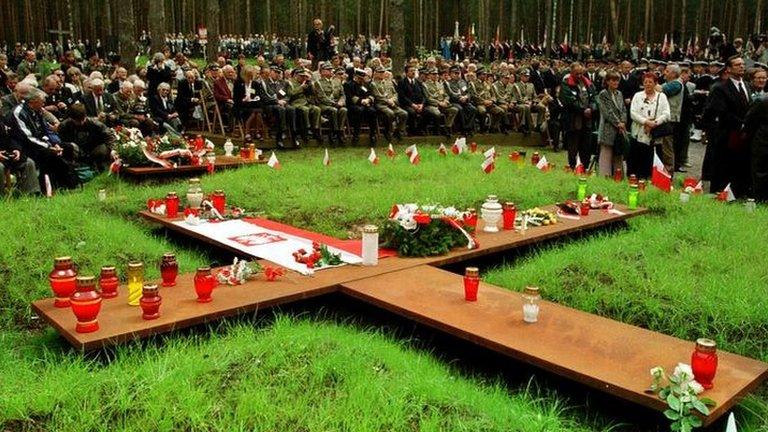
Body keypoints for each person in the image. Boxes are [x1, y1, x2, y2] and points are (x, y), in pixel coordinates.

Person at [9, 89, 78, 190]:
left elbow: (45, 130)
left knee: (67, 148)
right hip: (25, 146)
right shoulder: (18, 112)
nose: (44, 104)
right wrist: (49, 147)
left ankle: (68, 183)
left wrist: (54, 144)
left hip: (41, 143)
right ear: (33, 101)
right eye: (42, 102)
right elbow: (28, 137)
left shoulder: (38, 110)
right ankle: (53, 187)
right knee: (49, 154)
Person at [703, 55, 753, 196]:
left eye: (743, 64)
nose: (742, 67)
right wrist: (742, 124)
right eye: (737, 65)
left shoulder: (747, 86)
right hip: (727, 133)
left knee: (740, 164)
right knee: (724, 165)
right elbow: (722, 112)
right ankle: (720, 193)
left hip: (744, 134)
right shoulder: (720, 88)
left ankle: (738, 192)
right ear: (729, 69)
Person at [629, 72, 670, 178]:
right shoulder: (638, 96)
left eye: (650, 82)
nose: (648, 84)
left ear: (655, 83)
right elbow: (633, 113)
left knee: (652, 161)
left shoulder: (662, 97)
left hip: (655, 135)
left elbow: (666, 114)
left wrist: (654, 123)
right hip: (639, 133)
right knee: (636, 161)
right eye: (645, 82)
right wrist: (645, 122)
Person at [559, 62, 596, 169]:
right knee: (573, 147)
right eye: (576, 74)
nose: (579, 76)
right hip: (573, 121)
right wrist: (583, 110)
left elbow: (594, 97)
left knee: (586, 146)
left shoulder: (588, 83)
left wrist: (591, 108)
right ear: (571, 72)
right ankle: (572, 166)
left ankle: (584, 167)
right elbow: (568, 100)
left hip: (587, 121)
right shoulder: (566, 83)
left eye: (581, 73)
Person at [57, 103, 114, 171]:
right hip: (76, 152)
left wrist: (112, 150)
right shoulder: (64, 126)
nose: (81, 123)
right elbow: (62, 142)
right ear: (71, 118)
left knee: (103, 149)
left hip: (93, 149)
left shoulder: (95, 124)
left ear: (85, 116)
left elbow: (110, 136)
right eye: (77, 121)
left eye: (82, 119)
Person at [596, 71, 628, 176]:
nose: (616, 82)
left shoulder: (619, 94)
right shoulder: (603, 94)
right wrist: (618, 123)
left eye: (617, 80)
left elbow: (623, 109)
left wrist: (623, 122)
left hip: (620, 129)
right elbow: (607, 112)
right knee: (606, 154)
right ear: (608, 81)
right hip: (608, 128)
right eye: (613, 80)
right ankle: (605, 177)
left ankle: (618, 177)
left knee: (618, 154)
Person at [0, 124, 40, 194]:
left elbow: (12, 138)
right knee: (0, 167)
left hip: (6, 154)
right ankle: (2, 195)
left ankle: (31, 194)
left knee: (28, 162)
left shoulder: (3, 121)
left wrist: (16, 149)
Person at [313, 62, 347, 145]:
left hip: (336, 104)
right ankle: (333, 133)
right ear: (322, 72)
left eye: (331, 69)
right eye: (328, 70)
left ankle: (340, 131)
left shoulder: (337, 81)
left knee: (344, 110)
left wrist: (341, 102)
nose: (331, 71)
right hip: (323, 105)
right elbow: (322, 97)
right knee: (333, 110)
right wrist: (334, 104)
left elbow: (342, 95)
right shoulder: (318, 83)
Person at [659, 63, 684, 174]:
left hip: (670, 120)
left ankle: (668, 173)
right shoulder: (670, 83)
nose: (665, 73)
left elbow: (660, 90)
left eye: (667, 71)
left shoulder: (676, 84)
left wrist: (651, 81)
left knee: (667, 147)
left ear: (674, 73)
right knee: (662, 146)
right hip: (664, 119)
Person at [287, 68, 321, 144]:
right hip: (295, 103)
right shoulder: (290, 83)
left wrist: (310, 83)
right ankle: (307, 129)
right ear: (296, 76)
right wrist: (301, 88)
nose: (303, 78)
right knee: (305, 110)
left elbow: (313, 93)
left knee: (317, 109)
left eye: (304, 76)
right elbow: (290, 94)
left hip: (306, 102)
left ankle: (315, 129)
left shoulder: (306, 82)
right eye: (301, 76)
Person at [344, 68, 377, 145]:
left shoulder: (365, 84)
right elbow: (349, 97)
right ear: (355, 76)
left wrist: (368, 100)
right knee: (359, 110)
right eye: (360, 78)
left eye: (362, 78)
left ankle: (372, 134)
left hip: (365, 104)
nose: (362, 80)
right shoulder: (348, 84)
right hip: (353, 106)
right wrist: (361, 101)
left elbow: (371, 95)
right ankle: (356, 135)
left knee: (373, 111)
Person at [745, 95, 768, 201]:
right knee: (760, 173)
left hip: (762, 140)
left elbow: (750, 121)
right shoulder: (762, 101)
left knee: (760, 173)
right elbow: (750, 121)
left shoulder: (762, 100)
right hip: (762, 142)